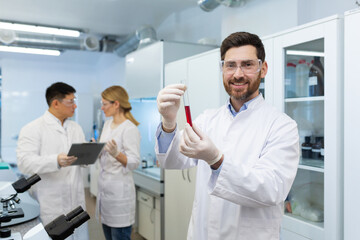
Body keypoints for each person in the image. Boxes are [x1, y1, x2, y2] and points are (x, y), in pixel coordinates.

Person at [155, 32, 299, 240]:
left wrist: (217, 160)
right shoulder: (207, 119)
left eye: (247, 64)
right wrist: (168, 123)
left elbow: (271, 189)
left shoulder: (282, 126)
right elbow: (171, 160)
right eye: (230, 65)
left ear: (263, 69)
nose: (238, 74)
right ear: (222, 69)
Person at [17, 82, 89, 240]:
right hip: (51, 204)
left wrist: (88, 154)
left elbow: (81, 158)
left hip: (76, 202)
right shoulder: (33, 128)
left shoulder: (76, 128)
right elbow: (24, 162)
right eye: (71, 101)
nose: (75, 106)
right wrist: (55, 160)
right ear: (56, 103)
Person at [95, 85, 140, 240]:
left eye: (104, 104)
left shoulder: (129, 128)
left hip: (120, 198)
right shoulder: (107, 125)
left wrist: (116, 154)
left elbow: (134, 162)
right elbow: (104, 152)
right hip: (105, 194)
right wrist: (96, 149)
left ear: (116, 104)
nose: (102, 108)